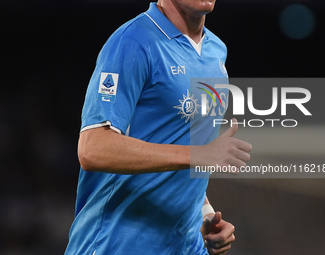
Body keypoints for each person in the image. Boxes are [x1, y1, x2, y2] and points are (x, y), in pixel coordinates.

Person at [65, 0, 252, 254]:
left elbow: (181, 150)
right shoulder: (132, 42)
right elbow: (93, 149)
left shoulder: (215, 52)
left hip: (184, 247)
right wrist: (199, 155)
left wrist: (205, 215)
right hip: (117, 244)